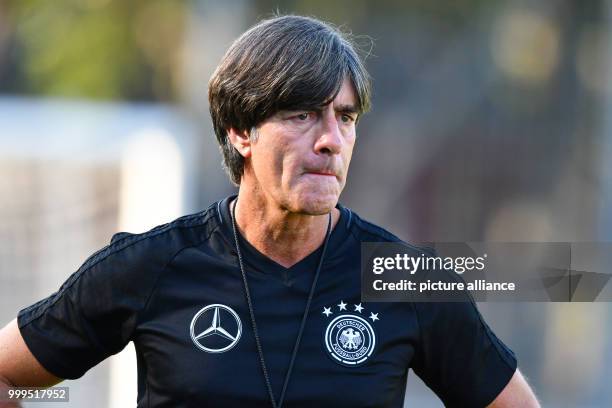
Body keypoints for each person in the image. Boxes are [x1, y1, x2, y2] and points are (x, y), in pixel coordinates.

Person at [0, 15, 539, 408]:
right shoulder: (152, 265)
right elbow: (9, 380)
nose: (332, 140)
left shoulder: (403, 278)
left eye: (345, 118)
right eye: (303, 114)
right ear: (241, 131)